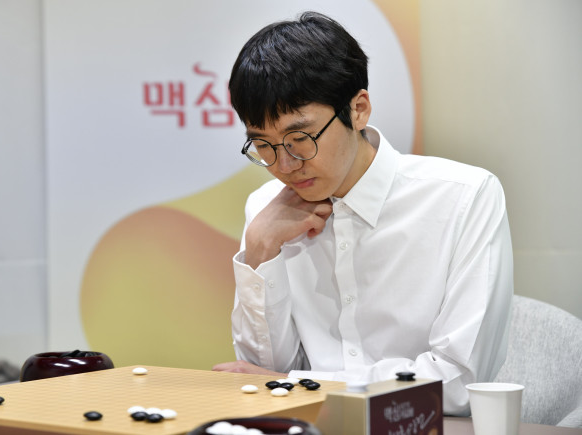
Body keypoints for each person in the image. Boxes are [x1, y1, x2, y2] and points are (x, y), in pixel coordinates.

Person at [212, 11, 513, 416]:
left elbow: (459, 383)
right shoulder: (267, 209)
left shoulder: (464, 198)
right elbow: (260, 375)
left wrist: (304, 385)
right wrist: (259, 249)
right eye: (263, 145)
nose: (284, 165)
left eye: (299, 138)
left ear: (358, 109)